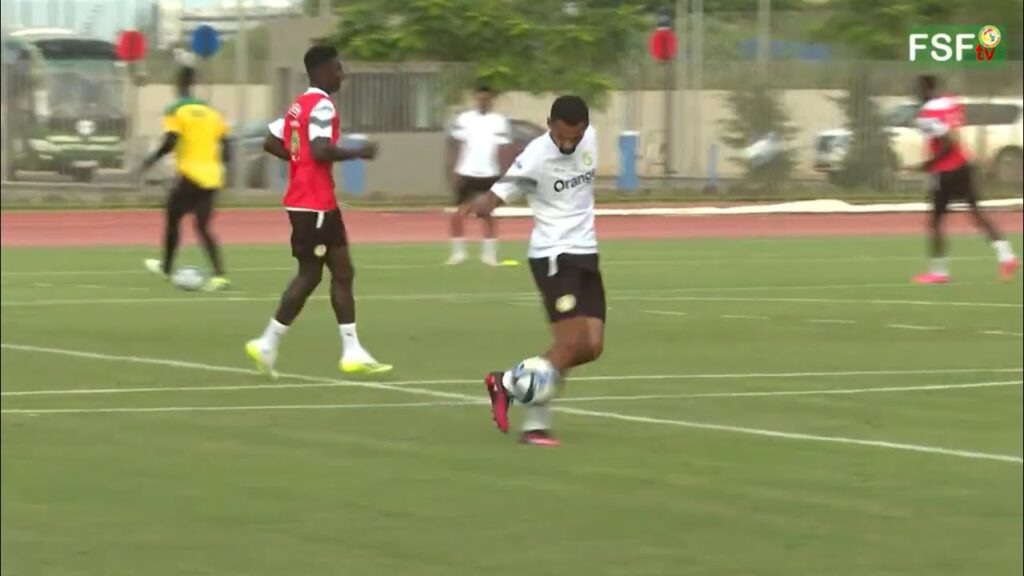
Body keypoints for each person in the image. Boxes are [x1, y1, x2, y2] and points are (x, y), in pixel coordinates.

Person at [464, 95, 603, 447]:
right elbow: (503, 189)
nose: (568, 144)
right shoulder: (536, 155)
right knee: (569, 343)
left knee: (590, 347)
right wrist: (485, 203)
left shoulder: (592, 138)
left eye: (576, 136)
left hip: (586, 253)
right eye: (562, 136)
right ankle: (533, 423)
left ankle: (507, 384)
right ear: (549, 125)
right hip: (554, 256)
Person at [245, 45, 391, 378]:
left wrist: (299, 162)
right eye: (338, 68)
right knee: (312, 274)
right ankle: (269, 342)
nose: (342, 74)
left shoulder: (300, 105)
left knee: (341, 270)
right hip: (314, 203)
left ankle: (350, 349)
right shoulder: (322, 105)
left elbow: (271, 141)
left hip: (310, 200)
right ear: (322, 71)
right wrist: (358, 151)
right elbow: (321, 149)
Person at [912, 74, 1018, 284]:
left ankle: (939, 272)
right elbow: (955, 133)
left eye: (917, 89)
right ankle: (1007, 256)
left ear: (925, 89)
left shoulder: (927, 113)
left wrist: (929, 163)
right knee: (976, 214)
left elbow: (949, 141)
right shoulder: (952, 103)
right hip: (964, 166)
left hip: (945, 171)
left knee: (936, 221)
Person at [140, 65, 230, 291]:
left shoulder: (175, 111)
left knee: (172, 215)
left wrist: (151, 159)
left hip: (190, 173)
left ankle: (166, 267)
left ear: (177, 85)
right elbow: (227, 144)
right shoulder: (212, 113)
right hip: (212, 176)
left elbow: (171, 140)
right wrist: (221, 166)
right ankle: (220, 276)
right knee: (202, 226)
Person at [445, 85, 512, 266]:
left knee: (487, 213)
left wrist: (505, 174)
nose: (483, 102)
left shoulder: (499, 121)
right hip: (466, 172)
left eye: (486, 99)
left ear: (491, 100)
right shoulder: (464, 119)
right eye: (480, 98)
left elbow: (504, 149)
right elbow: (455, 146)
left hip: (490, 173)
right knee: (459, 213)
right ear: (475, 99)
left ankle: (489, 255)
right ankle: (458, 253)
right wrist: (452, 170)